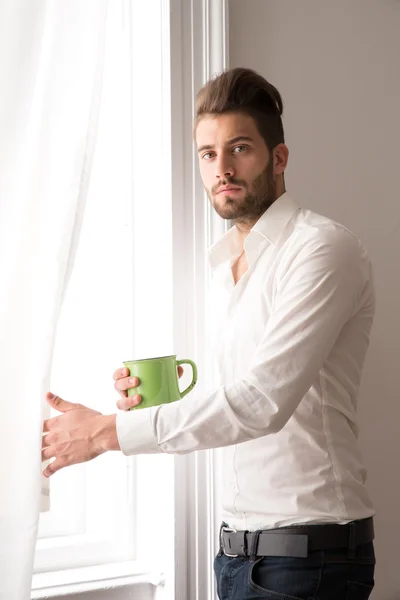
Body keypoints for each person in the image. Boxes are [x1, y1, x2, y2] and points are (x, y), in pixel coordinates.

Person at [42, 67, 376, 599]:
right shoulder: (226, 267)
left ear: (279, 158)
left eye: (239, 148)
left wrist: (108, 433)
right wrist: (149, 403)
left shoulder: (322, 249)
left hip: (310, 556)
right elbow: (229, 393)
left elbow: (262, 400)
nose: (221, 168)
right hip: (236, 558)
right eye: (207, 153)